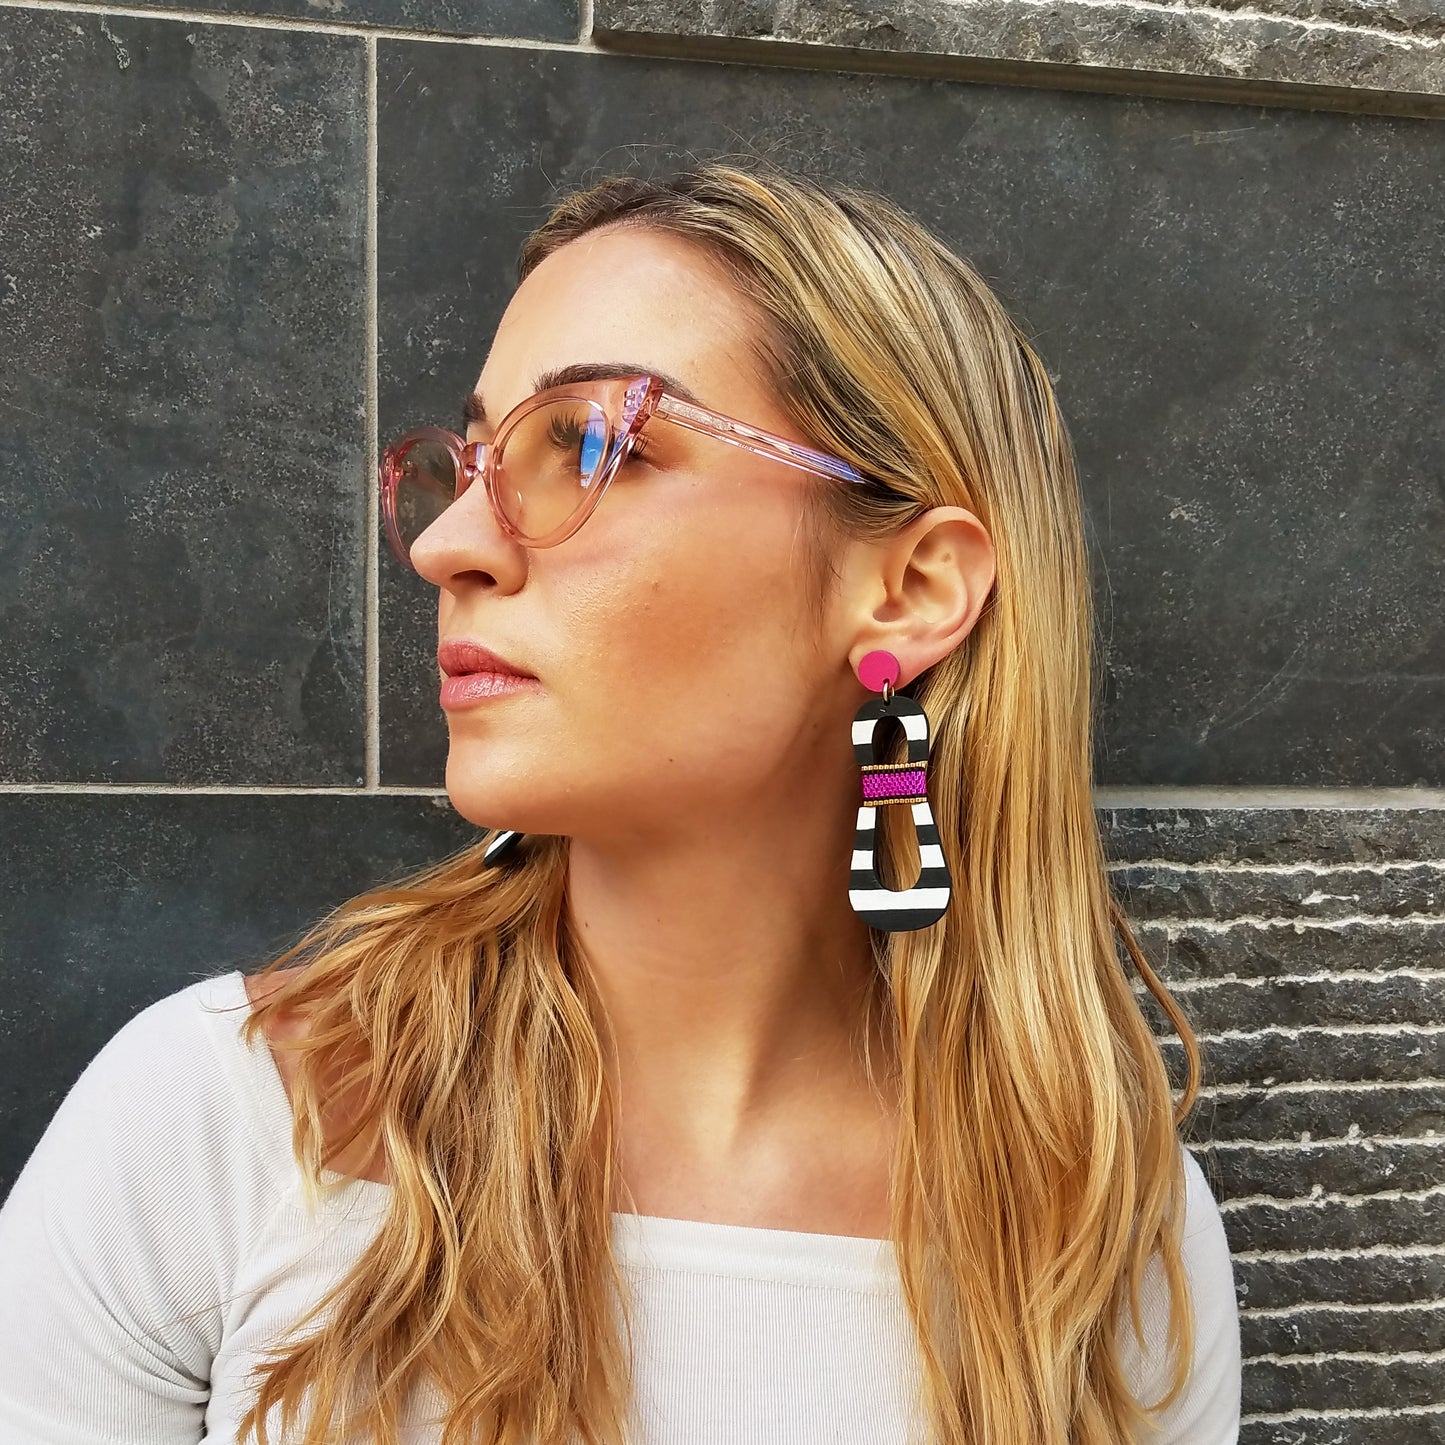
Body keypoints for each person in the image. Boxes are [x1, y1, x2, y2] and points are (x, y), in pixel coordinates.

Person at [0, 159, 1241, 1444]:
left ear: (913, 586)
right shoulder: (229, 1119)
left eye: (592, 440)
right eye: (472, 460)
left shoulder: (1102, 1236)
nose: (443, 545)